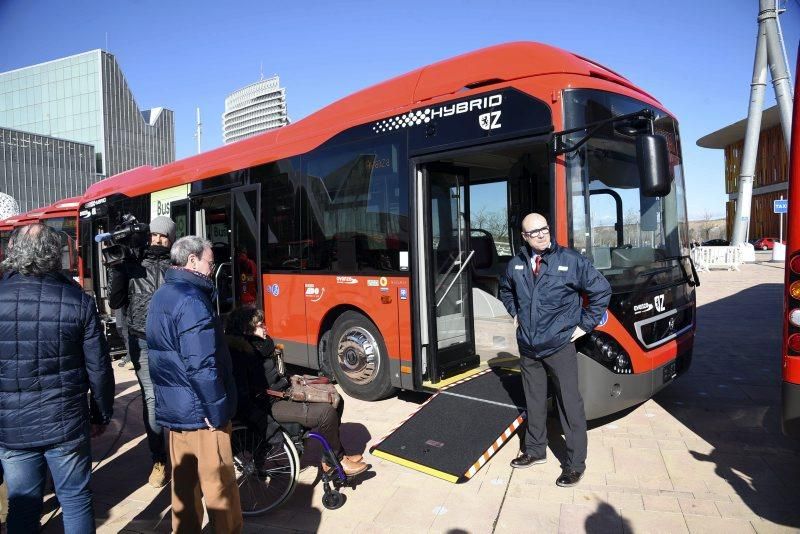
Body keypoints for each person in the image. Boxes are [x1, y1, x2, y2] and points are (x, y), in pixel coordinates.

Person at [0, 224, 114, 533]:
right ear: (55, 256)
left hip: (13, 426)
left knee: (22, 506)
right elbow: (99, 367)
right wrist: (101, 412)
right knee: (75, 500)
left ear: (12, 252)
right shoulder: (78, 301)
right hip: (65, 422)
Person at [499, 213, 611, 488]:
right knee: (534, 401)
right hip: (528, 347)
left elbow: (601, 291)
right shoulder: (516, 264)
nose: (541, 234)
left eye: (544, 229)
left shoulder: (570, 261)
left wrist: (584, 325)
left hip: (559, 346)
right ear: (523, 237)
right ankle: (535, 450)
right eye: (533, 232)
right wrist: (515, 313)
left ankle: (575, 465)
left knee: (569, 405)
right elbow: (505, 291)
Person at [146, 235, 242, 534]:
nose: (213, 268)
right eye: (210, 262)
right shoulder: (192, 301)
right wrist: (217, 413)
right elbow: (201, 365)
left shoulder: (162, 294)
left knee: (184, 491)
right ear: (192, 261)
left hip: (176, 413)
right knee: (220, 490)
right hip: (201, 412)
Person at [224, 307, 367, 476]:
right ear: (246, 329)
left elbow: (275, 375)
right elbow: (244, 399)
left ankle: (330, 458)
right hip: (267, 404)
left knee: (335, 399)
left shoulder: (262, 346)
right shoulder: (241, 355)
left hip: (283, 392)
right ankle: (337, 461)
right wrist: (270, 430)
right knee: (326, 413)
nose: (265, 327)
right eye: (260, 325)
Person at [108, 215, 175, 488]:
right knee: (151, 400)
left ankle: (182, 453)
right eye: (155, 235)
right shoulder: (133, 265)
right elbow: (116, 301)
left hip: (172, 343)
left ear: (171, 239)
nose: (159, 240)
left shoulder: (178, 265)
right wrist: (120, 270)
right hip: (142, 341)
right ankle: (159, 459)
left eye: (164, 236)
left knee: (175, 397)